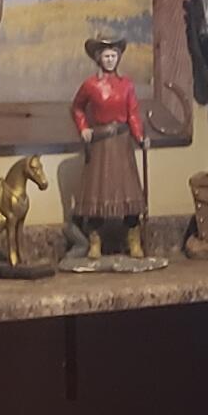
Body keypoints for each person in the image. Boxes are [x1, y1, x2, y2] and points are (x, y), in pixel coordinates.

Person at [67, 35, 150, 260]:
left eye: (114, 55)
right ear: (98, 58)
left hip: (122, 144)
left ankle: (133, 240)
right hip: (100, 145)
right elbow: (77, 108)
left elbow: (133, 114)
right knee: (98, 193)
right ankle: (95, 241)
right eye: (106, 56)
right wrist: (83, 128)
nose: (111, 60)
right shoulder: (90, 85)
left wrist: (140, 137)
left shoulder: (127, 85)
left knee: (128, 193)